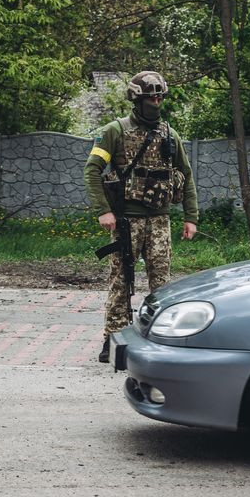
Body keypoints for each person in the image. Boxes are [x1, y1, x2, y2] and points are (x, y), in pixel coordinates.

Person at [85, 70, 199, 362]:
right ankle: (113, 341)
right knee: (121, 281)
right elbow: (93, 170)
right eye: (151, 96)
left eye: (160, 96)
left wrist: (191, 217)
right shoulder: (114, 131)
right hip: (127, 221)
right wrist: (104, 211)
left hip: (160, 222)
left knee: (162, 284)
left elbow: (185, 176)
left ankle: (160, 341)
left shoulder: (170, 134)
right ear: (137, 98)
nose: (157, 101)